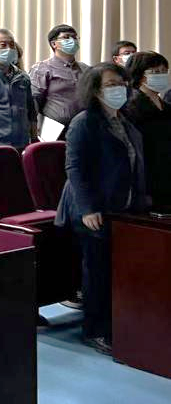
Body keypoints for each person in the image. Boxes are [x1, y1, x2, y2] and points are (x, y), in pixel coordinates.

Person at [56, 63, 147, 355]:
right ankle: (94, 330)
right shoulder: (84, 122)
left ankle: (116, 324)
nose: (118, 89)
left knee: (114, 270)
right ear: (95, 90)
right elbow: (75, 168)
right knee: (97, 272)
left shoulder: (124, 121)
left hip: (121, 207)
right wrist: (88, 208)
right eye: (110, 85)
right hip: (92, 210)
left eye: (121, 83)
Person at [123, 52, 171, 212]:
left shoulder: (166, 106)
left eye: (164, 71)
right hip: (146, 174)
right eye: (155, 72)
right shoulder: (131, 106)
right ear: (139, 74)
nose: (161, 76)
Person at [31, 24, 89, 137]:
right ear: (54, 44)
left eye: (74, 37)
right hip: (54, 131)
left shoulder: (86, 69)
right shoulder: (42, 68)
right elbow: (34, 101)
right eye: (66, 37)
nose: (72, 40)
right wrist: (33, 130)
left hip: (84, 129)